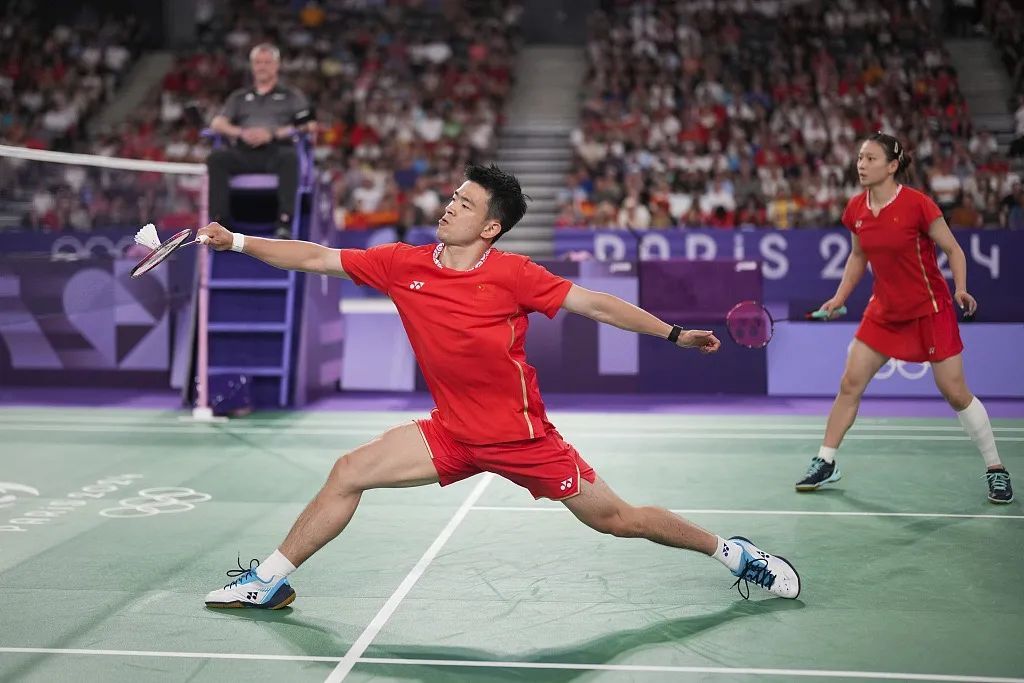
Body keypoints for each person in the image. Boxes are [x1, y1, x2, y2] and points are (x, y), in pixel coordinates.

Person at [199, 163, 801, 610]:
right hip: (451, 433)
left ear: (490, 226)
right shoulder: (404, 263)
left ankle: (734, 553)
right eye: (452, 197)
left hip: (522, 439)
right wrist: (238, 242)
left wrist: (673, 334)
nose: (449, 208)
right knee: (348, 471)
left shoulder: (515, 275)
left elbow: (595, 304)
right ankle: (268, 581)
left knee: (618, 518)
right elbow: (316, 258)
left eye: (464, 204)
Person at [794, 133, 1013, 504]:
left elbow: (953, 249)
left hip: (930, 310)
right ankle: (826, 460)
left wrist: (960, 288)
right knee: (850, 383)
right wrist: (839, 297)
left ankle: (996, 468)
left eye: (871, 158)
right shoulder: (856, 209)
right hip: (884, 311)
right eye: (860, 158)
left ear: (892, 166)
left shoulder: (917, 204)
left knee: (956, 393)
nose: (862, 165)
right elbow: (858, 257)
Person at [207, 43, 314, 239]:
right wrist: (241, 132)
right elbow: (217, 123)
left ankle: (284, 223)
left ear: (277, 65)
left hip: (277, 151)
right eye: (258, 62)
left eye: (267, 62)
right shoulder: (239, 96)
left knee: (290, 158)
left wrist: (272, 134)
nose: (262, 66)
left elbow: (308, 124)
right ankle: (220, 223)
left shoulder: (291, 96)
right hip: (244, 152)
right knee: (217, 158)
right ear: (252, 66)